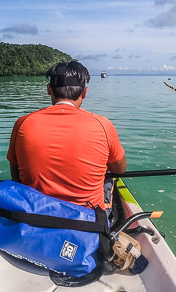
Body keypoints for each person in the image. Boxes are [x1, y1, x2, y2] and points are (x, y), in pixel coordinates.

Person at [7, 61, 126, 211]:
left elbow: (16, 175)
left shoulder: (22, 123)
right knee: (109, 173)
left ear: (49, 89)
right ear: (85, 92)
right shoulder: (103, 125)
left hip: (34, 218)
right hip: (87, 224)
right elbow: (120, 169)